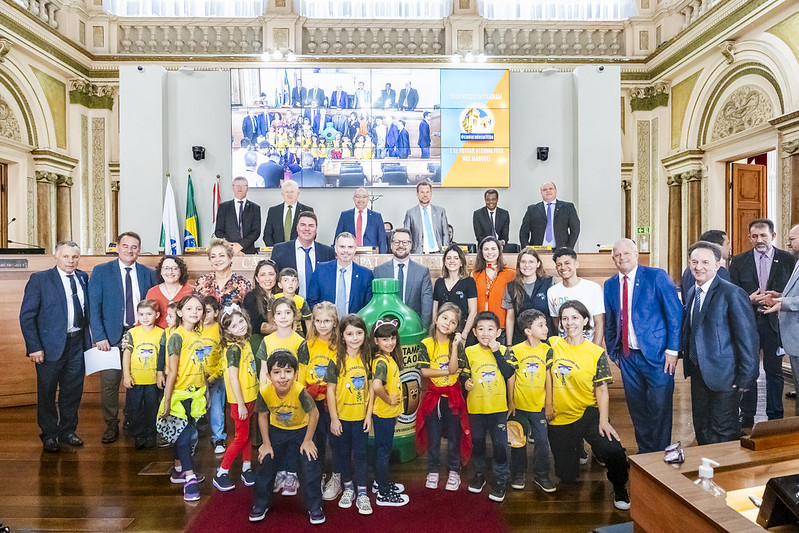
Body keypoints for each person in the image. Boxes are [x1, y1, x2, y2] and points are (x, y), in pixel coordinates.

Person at [546, 301, 630, 510]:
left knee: (614, 450)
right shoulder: (551, 345)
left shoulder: (595, 352)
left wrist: (603, 420)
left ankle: (620, 487)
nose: (569, 323)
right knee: (566, 476)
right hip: (559, 416)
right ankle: (577, 448)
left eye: (575, 317)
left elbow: (601, 389)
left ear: (585, 320)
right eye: (565, 318)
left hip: (587, 412)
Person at [603, 238, 682, 454]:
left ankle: (660, 454)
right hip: (627, 357)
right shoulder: (610, 285)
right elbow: (610, 321)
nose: (622, 258)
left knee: (659, 408)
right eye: (618, 255)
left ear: (637, 254)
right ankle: (646, 454)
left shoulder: (656, 276)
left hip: (658, 356)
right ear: (613, 259)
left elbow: (674, 315)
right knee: (637, 409)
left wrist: (672, 351)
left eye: (627, 253)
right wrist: (614, 353)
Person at [682, 241, 759, 444]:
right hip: (699, 374)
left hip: (726, 376)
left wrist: (746, 378)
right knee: (702, 427)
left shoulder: (732, 293)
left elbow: (748, 339)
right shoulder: (692, 293)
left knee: (724, 430)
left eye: (705, 262)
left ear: (718, 265)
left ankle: (725, 474)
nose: (699, 267)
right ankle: (707, 472)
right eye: (694, 262)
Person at [20, 240, 91, 453]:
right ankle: (49, 434)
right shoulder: (40, 279)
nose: (71, 261)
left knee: (72, 391)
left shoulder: (82, 277)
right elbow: (27, 316)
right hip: (49, 347)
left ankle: (67, 431)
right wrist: (34, 347)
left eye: (75, 257)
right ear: (56, 256)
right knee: (47, 392)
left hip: (77, 343)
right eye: (66, 256)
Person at [89, 231, 157, 444]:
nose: (130, 250)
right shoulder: (101, 271)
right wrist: (99, 335)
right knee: (110, 382)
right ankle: (111, 423)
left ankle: (132, 419)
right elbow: (94, 306)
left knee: (138, 380)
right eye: (125, 246)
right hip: (109, 338)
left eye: (134, 247)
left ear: (139, 250)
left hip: (140, 335)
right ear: (117, 247)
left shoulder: (148, 273)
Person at [729, 218, 797, 427]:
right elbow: (731, 292)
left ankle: (775, 415)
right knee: (749, 370)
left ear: (773, 236)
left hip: (776, 324)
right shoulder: (739, 261)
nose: (759, 240)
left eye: (763, 236)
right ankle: (747, 414)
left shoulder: (788, 259)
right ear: (749, 237)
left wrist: (778, 297)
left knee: (774, 371)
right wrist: (747, 299)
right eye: (755, 236)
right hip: (748, 323)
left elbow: (791, 291)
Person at [249, 350, 325, 525]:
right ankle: (261, 503)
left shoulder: (300, 391)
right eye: (276, 372)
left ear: (296, 374)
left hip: (301, 430)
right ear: (268, 375)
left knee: (310, 463)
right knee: (265, 460)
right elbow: (262, 415)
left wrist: (307, 440)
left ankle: (314, 506)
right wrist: (266, 444)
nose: (282, 377)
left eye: (288, 372)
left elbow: (314, 414)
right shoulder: (264, 391)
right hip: (277, 430)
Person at [460, 311, 515, 503]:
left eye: (490, 329)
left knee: (500, 444)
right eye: (481, 329)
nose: (486, 333)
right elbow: (464, 374)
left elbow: (508, 372)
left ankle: (501, 479)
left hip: (498, 408)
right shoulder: (469, 351)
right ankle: (479, 474)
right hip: (476, 407)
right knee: (478, 442)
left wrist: (496, 351)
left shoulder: (505, 351)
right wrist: (466, 381)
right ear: (474, 332)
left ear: (498, 332)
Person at [416, 303, 470, 492]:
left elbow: (457, 369)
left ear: (457, 327)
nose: (448, 323)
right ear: (437, 318)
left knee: (455, 435)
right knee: (434, 435)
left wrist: (455, 346)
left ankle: (454, 471)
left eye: (453, 322)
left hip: (453, 396)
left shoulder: (457, 345)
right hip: (434, 397)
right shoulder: (426, 343)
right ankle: (433, 470)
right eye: (445, 318)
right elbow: (424, 371)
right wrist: (446, 371)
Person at [325, 315, 374, 515]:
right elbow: (330, 391)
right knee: (342, 454)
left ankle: (362, 492)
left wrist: (369, 415)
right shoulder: (336, 359)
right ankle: (348, 489)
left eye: (359, 333)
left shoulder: (369, 358)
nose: (355, 338)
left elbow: (371, 389)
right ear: (342, 336)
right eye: (350, 333)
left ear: (365, 334)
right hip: (341, 419)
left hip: (361, 418)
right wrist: (334, 419)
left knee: (361, 455)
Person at [160, 295, 207, 502]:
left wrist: (204, 388)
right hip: (179, 394)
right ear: (180, 312)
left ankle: (179, 469)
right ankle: (189, 479)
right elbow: (172, 371)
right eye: (189, 309)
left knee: (185, 434)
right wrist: (168, 400)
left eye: (198, 309)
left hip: (195, 393)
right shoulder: (176, 336)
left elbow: (199, 365)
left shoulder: (198, 335)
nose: (194, 312)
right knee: (185, 435)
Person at [508, 309, 556, 493]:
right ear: (528, 331)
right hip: (519, 406)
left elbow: (548, 377)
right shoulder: (516, 350)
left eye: (545, 324)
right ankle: (518, 473)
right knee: (518, 441)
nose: (546, 329)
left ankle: (542, 474)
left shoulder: (547, 350)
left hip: (539, 406)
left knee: (542, 442)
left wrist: (549, 403)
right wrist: (511, 402)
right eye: (541, 325)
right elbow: (511, 377)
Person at [212, 308, 259, 492]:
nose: (239, 326)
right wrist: (240, 403)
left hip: (251, 396)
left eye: (241, 322)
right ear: (227, 331)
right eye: (234, 325)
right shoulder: (233, 349)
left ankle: (246, 468)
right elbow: (233, 378)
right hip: (240, 400)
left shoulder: (245, 343)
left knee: (247, 436)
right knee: (240, 437)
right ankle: (221, 472)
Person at [298, 302, 340, 500]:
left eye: (327, 321)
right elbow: (301, 378)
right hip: (313, 402)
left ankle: (338, 477)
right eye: (319, 321)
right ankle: (320, 473)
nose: (323, 325)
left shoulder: (340, 345)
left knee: (337, 441)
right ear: (313, 322)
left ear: (334, 322)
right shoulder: (307, 345)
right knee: (318, 441)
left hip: (335, 401)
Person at [370, 321, 410, 506]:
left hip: (388, 413)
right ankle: (383, 492)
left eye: (392, 338)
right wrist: (389, 400)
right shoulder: (381, 362)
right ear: (376, 341)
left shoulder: (387, 358)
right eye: (384, 339)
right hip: (383, 413)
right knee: (383, 451)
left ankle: (380, 482)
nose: (390, 342)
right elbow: (377, 386)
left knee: (383, 450)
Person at [764, 224, 799, 415]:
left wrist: (784, 303)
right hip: (793, 340)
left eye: (792, 239)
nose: (788, 243)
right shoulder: (797, 261)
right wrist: (780, 295)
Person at [122, 299, 163, 449]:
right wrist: (127, 375)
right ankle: (138, 435)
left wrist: (160, 375)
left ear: (157, 315)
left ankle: (151, 434)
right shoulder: (132, 333)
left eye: (149, 314)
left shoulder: (161, 333)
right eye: (141, 314)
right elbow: (126, 355)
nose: (145, 318)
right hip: (136, 379)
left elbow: (163, 357)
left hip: (153, 380)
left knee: (152, 408)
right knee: (136, 408)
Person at [374, 228, 434, 327]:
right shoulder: (379, 271)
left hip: (414, 327)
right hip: (386, 329)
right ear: (391, 245)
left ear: (410, 245)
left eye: (405, 242)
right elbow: (376, 305)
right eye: (397, 242)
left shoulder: (422, 272)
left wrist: (423, 329)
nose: (401, 245)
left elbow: (426, 306)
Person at [269, 211, 336, 297]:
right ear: (297, 227)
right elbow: (275, 280)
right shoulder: (280, 250)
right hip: (289, 305)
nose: (307, 229)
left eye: (311, 226)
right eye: (303, 225)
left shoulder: (328, 252)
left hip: (319, 306)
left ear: (316, 229)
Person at [547, 248, 604, 345]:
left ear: (576, 264)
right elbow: (556, 322)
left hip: (588, 346)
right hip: (565, 348)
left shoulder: (593, 288)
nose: (563, 267)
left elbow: (599, 323)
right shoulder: (552, 291)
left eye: (567, 263)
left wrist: (595, 350)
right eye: (559, 265)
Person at [308, 232, 374, 316]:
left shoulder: (366, 275)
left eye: (350, 247)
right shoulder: (321, 270)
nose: (346, 251)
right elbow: (312, 300)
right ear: (335, 248)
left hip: (353, 326)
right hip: (326, 325)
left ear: (355, 249)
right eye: (342, 247)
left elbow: (368, 306)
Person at [504, 249, 555, 346]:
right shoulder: (511, 286)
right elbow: (510, 318)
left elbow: (555, 314)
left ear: (538, 264)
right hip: (521, 340)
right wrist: (509, 344)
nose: (527, 265)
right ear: (519, 264)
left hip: (546, 339)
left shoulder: (549, 282)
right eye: (523, 262)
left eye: (531, 262)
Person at [472, 237, 515, 341]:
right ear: (481, 252)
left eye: (493, 249)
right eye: (486, 249)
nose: (490, 252)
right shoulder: (474, 274)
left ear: (499, 251)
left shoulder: (510, 274)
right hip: (480, 329)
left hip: (501, 329)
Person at [200, 296, 226, 454]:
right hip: (197, 377)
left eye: (208, 311)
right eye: (201, 312)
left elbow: (224, 355)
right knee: (196, 407)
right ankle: (192, 438)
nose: (204, 315)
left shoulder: (220, 329)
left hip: (216, 376)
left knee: (217, 406)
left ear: (216, 312)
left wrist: (215, 374)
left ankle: (218, 437)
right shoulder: (194, 329)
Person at [519, 182, 580, 249]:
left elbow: (575, 228)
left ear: (556, 191)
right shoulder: (532, 209)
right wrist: (527, 249)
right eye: (544, 190)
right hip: (537, 251)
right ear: (541, 193)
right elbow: (523, 232)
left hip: (561, 250)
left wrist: (569, 248)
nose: (548, 191)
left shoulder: (567, 207)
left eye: (551, 189)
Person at [193, 238, 251, 308]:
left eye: (222, 256)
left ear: (230, 258)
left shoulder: (243, 283)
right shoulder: (202, 282)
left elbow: (247, 313)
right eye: (213, 257)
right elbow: (195, 308)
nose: (217, 260)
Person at [433, 244, 477, 335]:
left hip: (462, 331)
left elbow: (473, 311)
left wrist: (464, 334)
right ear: (444, 262)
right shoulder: (439, 282)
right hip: (442, 331)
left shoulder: (469, 282)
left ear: (461, 262)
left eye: (456, 258)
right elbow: (435, 310)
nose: (452, 261)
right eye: (448, 258)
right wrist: (436, 329)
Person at [214, 177, 262, 254]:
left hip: (248, 250)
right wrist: (231, 246)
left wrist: (240, 245)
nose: (240, 188)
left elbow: (256, 231)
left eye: (243, 185)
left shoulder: (255, 208)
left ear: (247, 188)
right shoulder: (224, 207)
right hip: (228, 250)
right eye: (237, 185)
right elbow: (218, 231)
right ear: (233, 187)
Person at [680, 229, 731, 302]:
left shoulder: (688, 271)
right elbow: (725, 301)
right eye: (727, 244)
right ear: (717, 246)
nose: (730, 247)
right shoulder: (718, 271)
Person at [242, 259, 279, 358]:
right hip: (259, 339)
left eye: (271, 274)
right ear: (257, 279)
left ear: (276, 276)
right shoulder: (251, 297)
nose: (267, 278)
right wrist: (285, 327)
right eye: (263, 275)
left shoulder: (282, 295)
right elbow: (257, 327)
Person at [334, 187, 388, 253]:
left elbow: (382, 241)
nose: (361, 199)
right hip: (349, 254)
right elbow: (337, 238)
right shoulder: (345, 215)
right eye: (357, 196)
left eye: (364, 197)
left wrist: (382, 259)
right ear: (353, 199)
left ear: (368, 199)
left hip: (371, 255)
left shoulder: (377, 217)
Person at [146, 256, 193, 329]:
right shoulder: (152, 292)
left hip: (184, 335)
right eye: (166, 268)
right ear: (160, 271)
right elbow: (144, 315)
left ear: (181, 271)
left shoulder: (191, 290)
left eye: (175, 268)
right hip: (157, 336)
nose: (170, 272)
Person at [403, 181, 450, 254]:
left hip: (438, 252)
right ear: (417, 194)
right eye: (422, 192)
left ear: (431, 193)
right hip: (418, 254)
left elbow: (445, 233)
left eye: (427, 192)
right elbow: (406, 236)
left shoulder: (440, 211)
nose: (425, 195)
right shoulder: (410, 213)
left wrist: (445, 252)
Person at [263, 180, 315, 247]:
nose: (289, 195)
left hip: (300, 251)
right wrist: (275, 250)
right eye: (286, 192)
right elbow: (267, 235)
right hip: (278, 252)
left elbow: (311, 233)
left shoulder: (307, 210)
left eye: (292, 192)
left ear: (298, 193)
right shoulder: (273, 211)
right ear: (282, 194)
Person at [275, 268, 312, 334]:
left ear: (298, 284)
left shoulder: (301, 301)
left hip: (297, 332)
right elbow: (270, 318)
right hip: (278, 331)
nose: (290, 283)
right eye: (286, 280)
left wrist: (310, 338)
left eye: (293, 280)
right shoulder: (275, 299)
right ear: (280, 285)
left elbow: (308, 321)